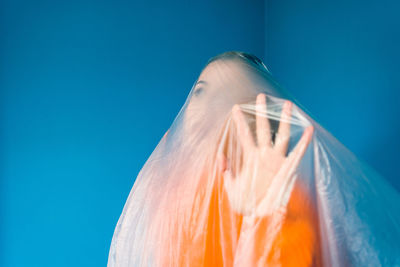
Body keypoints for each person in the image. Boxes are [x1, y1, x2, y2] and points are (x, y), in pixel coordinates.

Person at [108, 51, 400, 267]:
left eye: (231, 95)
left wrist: (265, 215)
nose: (212, 108)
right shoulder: (170, 200)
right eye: (200, 93)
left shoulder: (284, 199)